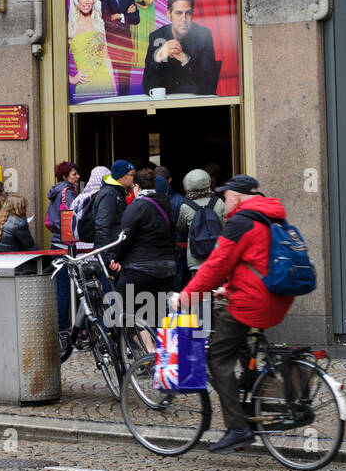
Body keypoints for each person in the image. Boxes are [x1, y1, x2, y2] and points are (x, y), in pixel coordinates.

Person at [170, 175, 295, 453]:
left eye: (227, 195)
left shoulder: (241, 222)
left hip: (252, 302)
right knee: (241, 349)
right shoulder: (270, 215)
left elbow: (214, 265)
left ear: (237, 196)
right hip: (277, 296)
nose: (225, 201)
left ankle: (237, 427)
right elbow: (256, 260)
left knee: (217, 358)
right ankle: (249, 403)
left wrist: (186, 296)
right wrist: (227, 288)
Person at [110, 169, 178, 344]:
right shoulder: (166, 204)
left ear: (137, 187)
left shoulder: (136, 207)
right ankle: (154, 358)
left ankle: (144, 353)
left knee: (120, 308)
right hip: (166, 269)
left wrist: (116, 259)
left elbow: (124, 237)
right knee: (152, 315)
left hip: (139, 269)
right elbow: (172, 236)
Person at [142, 0, 220, 96]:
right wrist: (157, 58)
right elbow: (147, 88)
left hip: (196, 106)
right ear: (169, 15)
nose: (184, 19)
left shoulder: (203, 36)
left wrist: (185, 60)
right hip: (166, 108)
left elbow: (209, 87)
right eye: (178, 13)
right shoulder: (156, 37)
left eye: (188, 13)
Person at [68, 0, 117, 99]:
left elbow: (106, 57)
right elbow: (57, 62)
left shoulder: (99, 24)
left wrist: (114, 88)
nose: (87, 1)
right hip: (85, 89)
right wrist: (71, 79)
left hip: (106, 86)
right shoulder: (70, 27)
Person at [176, 168, 227, 277]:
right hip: (217, 256)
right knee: (218, 292)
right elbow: (225, 225)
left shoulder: (186, 206)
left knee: (199, 293)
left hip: (196, 259)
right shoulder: (218, 202)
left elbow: (181, 228)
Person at [100, 0, 139, 95]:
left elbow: (136, 19)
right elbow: (106, 21)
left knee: (125, 88)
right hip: (110, 47)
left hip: (126, 47)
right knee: (110, 86)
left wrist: (119, 16)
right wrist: (127, 16)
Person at [92, 160, 135, 250]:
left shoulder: (117, 192)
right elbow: (102, 227)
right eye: (132, 175)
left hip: (115, 250)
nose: (134, 178)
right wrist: (108, 256)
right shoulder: (110, 194)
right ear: (121, 176)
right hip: (110, 254)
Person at [45, 162, 82, 237]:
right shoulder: (67, 192)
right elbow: (75, 216)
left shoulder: (57, 190)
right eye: (74, 174)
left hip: (56, 238)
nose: (78, 176)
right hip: (67, 242)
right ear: (65, 177)